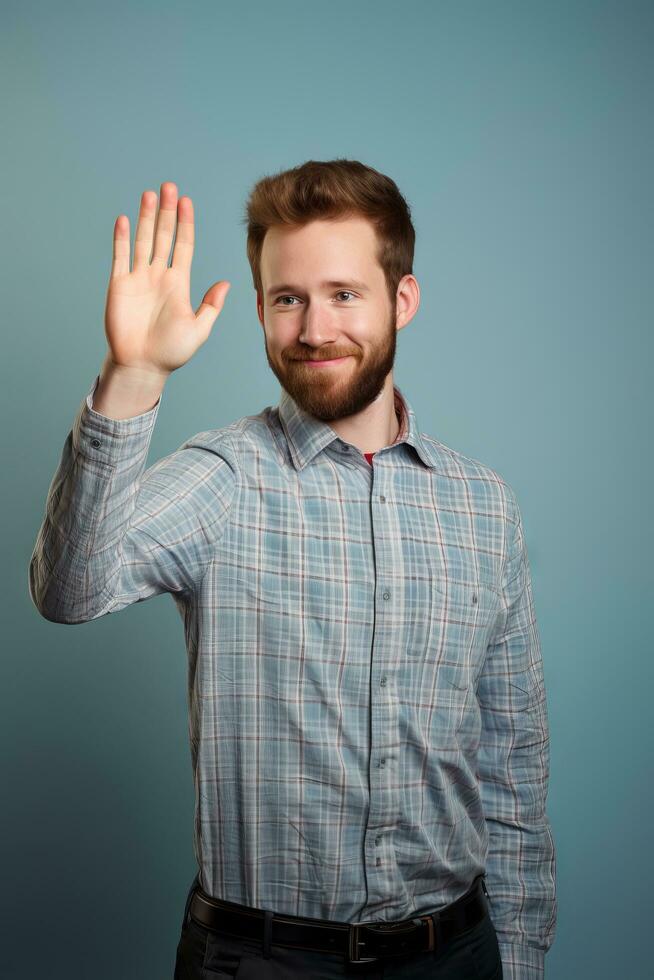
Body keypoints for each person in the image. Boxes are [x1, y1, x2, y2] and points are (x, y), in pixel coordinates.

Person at [28, 159, 556, 979]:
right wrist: (134, 376)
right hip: (260, 960)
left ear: (401, 301)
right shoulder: (222, 479)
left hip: (455, 956)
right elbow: (69, 592)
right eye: (287, 299)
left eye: (344, 294)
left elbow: (512, 771)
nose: (314, 330)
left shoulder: (485, 508)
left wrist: (515, 962)